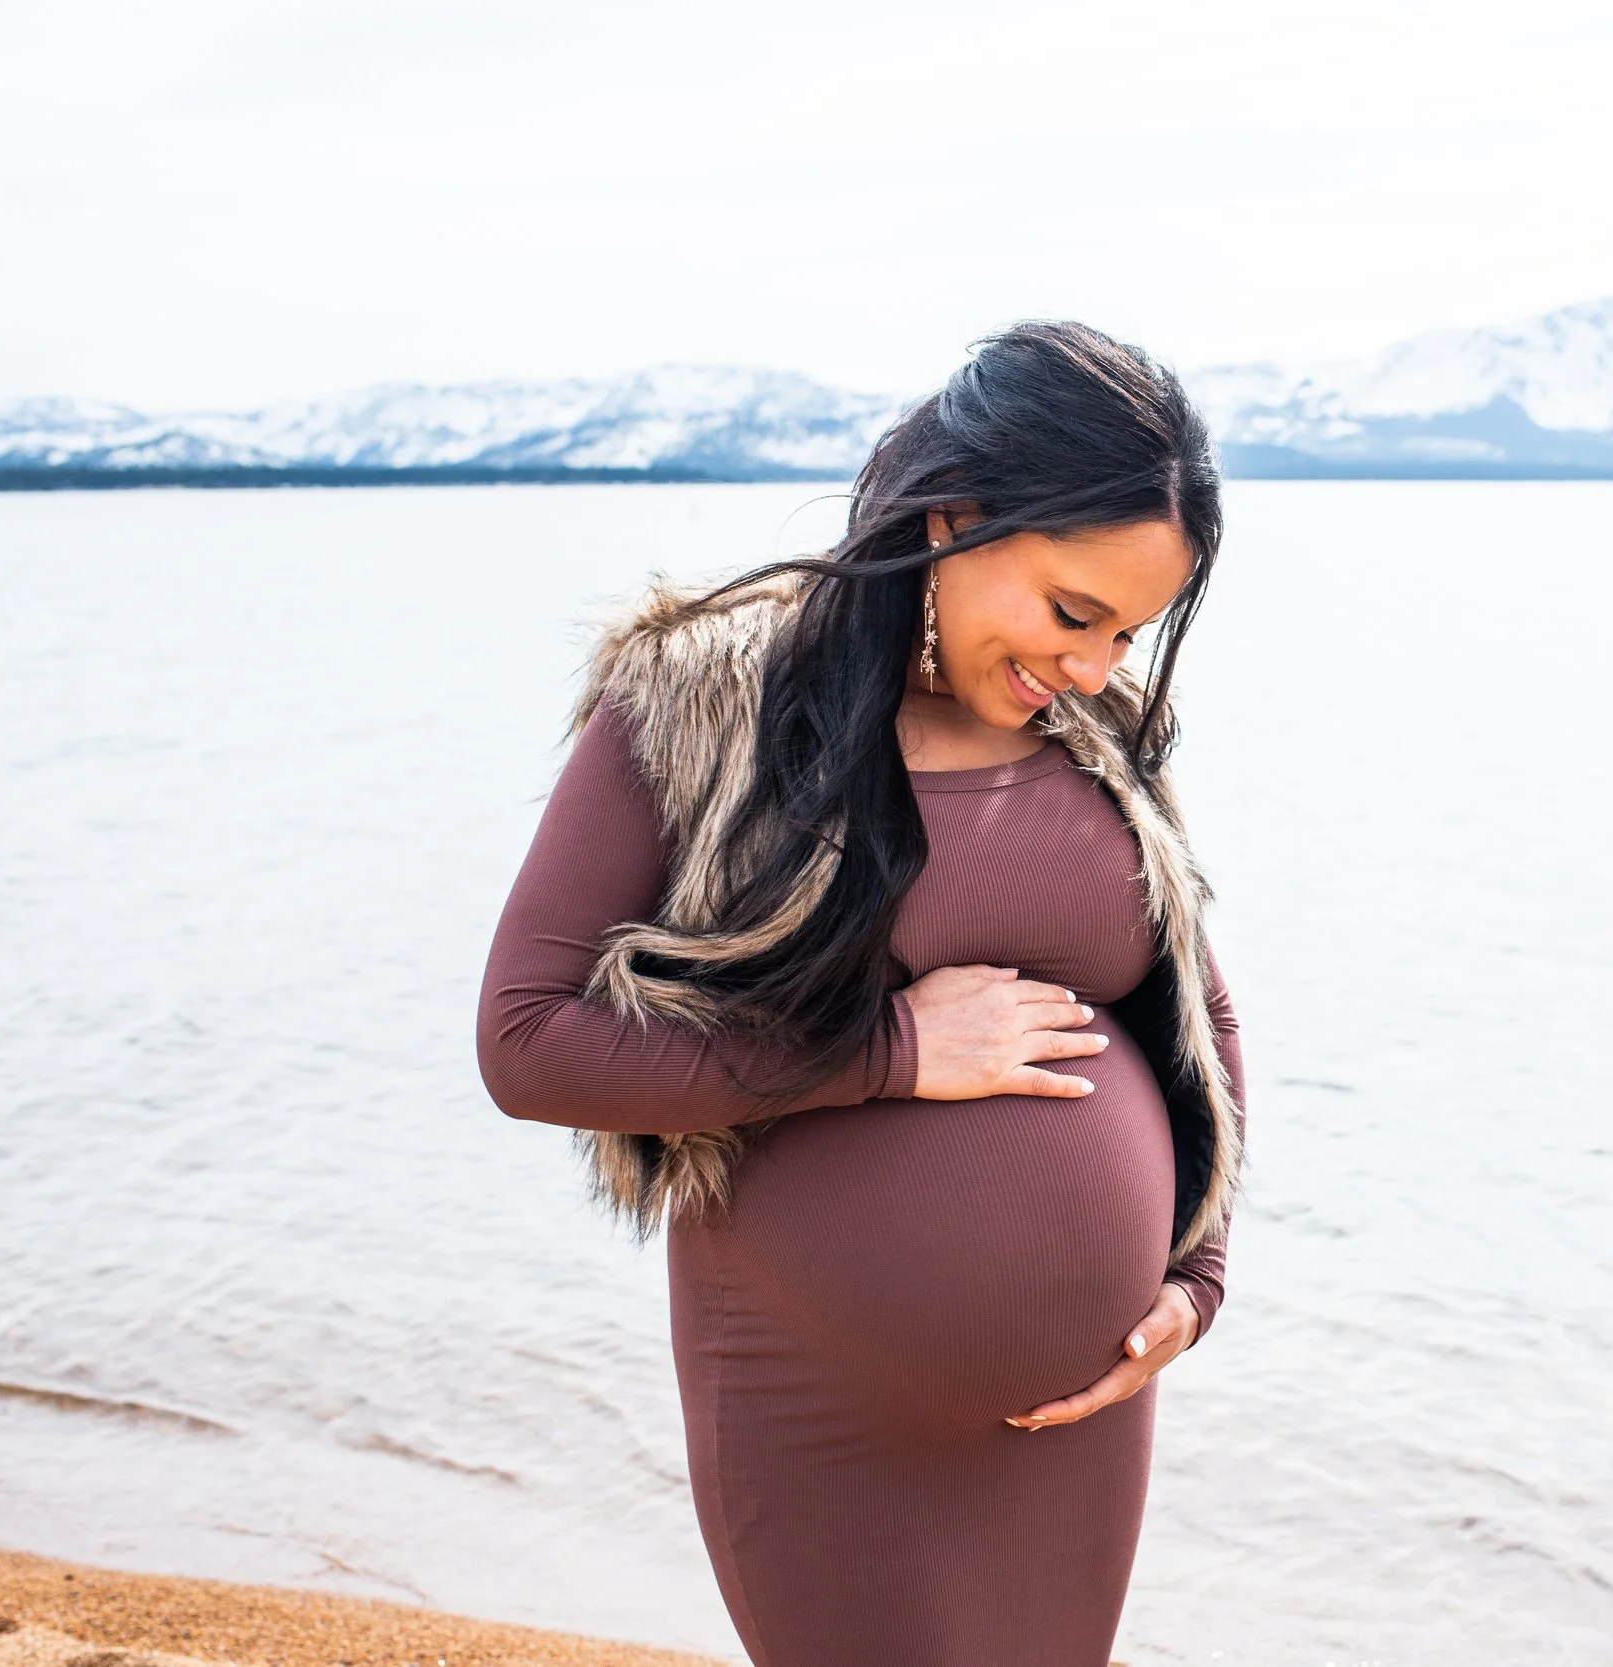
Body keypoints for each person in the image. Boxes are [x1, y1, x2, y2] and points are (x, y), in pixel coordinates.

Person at [476, 321, 1246, 1667]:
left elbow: (1196, 1020)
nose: (1091, 665)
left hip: (1079, 1415)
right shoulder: (701, 700)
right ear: (956, 514)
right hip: (819, 1400)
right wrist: (883, 1051)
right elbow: (530, 1041)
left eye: (1129, 630)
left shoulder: (1095, 738)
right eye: (1073, 612)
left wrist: (1197, 1276)